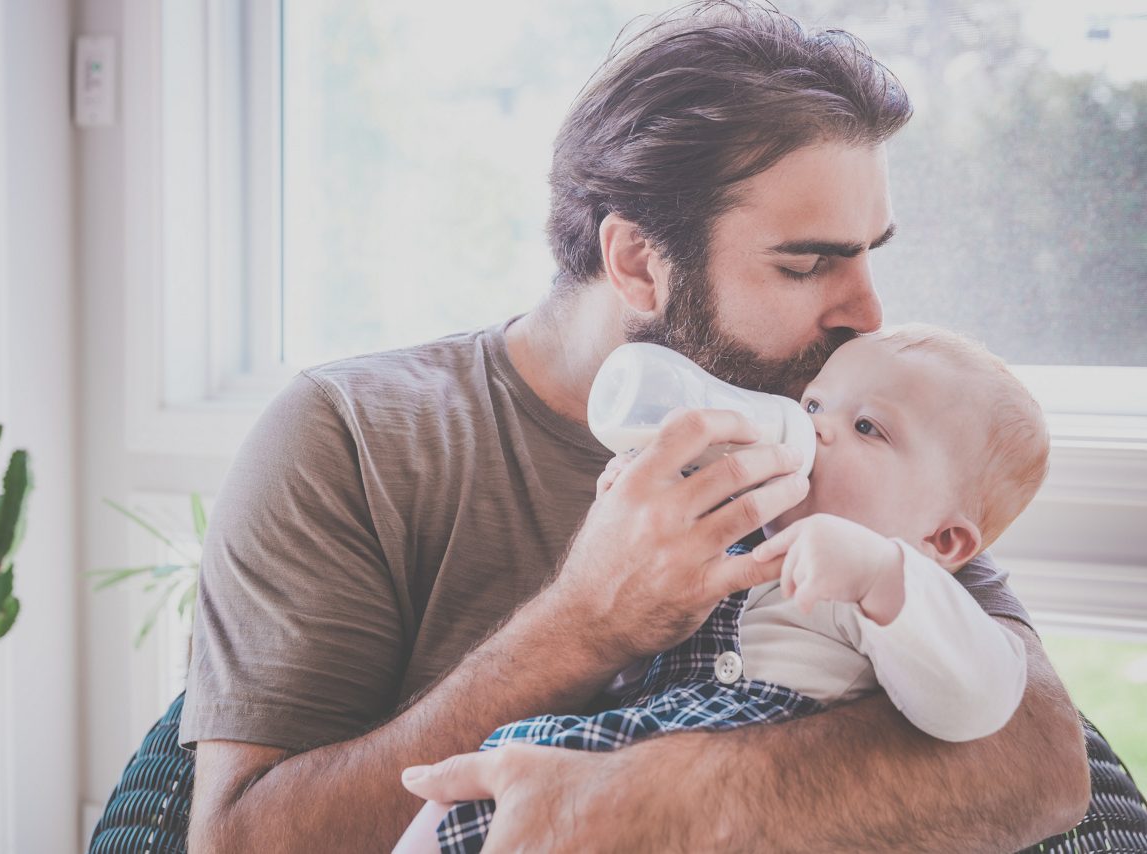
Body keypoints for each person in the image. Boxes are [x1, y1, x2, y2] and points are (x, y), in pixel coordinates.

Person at [183, 4, 1090, 851]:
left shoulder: (847, 436)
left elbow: (1038, 759)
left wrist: (655, 799)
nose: (867, 312)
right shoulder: (356, 437)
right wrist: (585, 625)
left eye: (866, 255)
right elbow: (240, 838)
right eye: (808, 264)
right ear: (636, 262)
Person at [395, 323, 1048, 852]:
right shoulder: (739, 520)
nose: (815, 428)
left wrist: (881, 571)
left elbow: (980, 703)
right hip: (627, 738)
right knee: (465, 794)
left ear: (944, 542)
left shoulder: (879, 586)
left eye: (868, 428)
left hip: (738, 766)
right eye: (815, 404)